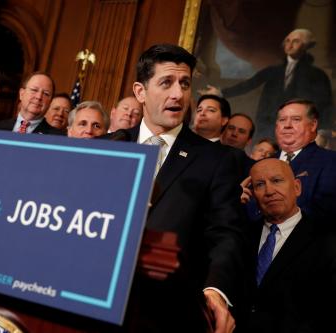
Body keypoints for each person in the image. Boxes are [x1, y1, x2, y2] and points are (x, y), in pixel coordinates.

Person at [107, 44, 245, 333]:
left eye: (184, 84)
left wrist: (216, 290)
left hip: (169, 311)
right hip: (98, 298)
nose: (178, 94)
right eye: (166, 83)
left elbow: (225, 235)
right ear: (140, 91)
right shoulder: (108, 146)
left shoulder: (216, 160)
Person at [242, 158, 336, 332]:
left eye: (277, 181)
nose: (269, 191)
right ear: (252, 194)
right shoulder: (240, 236)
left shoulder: (327, 241)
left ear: (297, 187)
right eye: (260, 185)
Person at [200, 29, 333, 139]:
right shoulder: (274, 71)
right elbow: (249, 84)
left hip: (297, 128)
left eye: (296, 41)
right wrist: (221, 93)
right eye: (287, 41)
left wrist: (323, 129)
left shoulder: (317, 75)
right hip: (268, 125)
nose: (290, 45)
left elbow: (325, 103)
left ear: (306, 46)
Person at [241, 99, 336, 223]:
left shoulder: (330, 161)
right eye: (282, 120)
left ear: (313, 125)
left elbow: (326, 212)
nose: (287, 125)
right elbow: (249, 207)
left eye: (296, 119)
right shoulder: (260, 165)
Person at [0, 71, 64, 135]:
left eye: (46, 94)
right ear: (21, 94)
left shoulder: (57, 138)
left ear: (50, 101)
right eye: (34, 90)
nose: (39, 97)